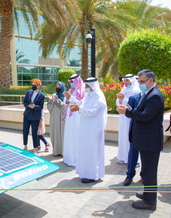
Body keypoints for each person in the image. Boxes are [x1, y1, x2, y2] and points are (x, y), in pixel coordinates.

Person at [117, 69, 164, 210]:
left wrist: (127, 111)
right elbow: (142, 111)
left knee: (149, 172)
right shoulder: (147, 93)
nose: (140, 84)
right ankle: (148, 194)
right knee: (147, 169)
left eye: (142, 81)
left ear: (151, 80)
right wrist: (129, 109)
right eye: (139, 81)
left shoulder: (154, 95)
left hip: (150, 141)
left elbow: (145, 116)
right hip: (146, 140)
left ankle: (150, 202)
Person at [70, 77, 107, 183]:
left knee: (93, 151)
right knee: (85, 149)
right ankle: (85, 172)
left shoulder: (99, 97)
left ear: (92, 86)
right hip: (86, 128)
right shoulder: (88, 95)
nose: (85, 88)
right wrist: (77, 105)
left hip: (94, 129)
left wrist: (79, 109)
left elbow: (93, 112)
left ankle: (93, 175)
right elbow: (81, 103)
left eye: (86, 86)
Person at [116, 74, 141, 164]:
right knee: (123, 137)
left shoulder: (137, 91)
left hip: (131, 117)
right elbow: (118, 103)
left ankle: (135, 160)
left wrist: (123, 99)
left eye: (127, 81)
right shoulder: (124, 89)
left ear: (132, 81)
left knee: (131, 137)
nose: (125, 83)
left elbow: (135, 105)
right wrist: (119, 100)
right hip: (123, 118)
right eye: (125, 81)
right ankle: (123, 157)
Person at [62, 74, 85, 166]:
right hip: (69, 117)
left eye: (72, 82)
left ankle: (76, 159)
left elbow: (81, 103)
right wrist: (67, 100)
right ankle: (69, 158)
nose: (71, 84)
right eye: (70, 82)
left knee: (76, 136)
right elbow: (65, 102)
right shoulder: (70, 91)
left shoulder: (83, 92)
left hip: (77, 117)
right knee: (69, 136)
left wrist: (71, 98)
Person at [23, 79, 45, 154]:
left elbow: (41, 106)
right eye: (32, 85)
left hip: (35, 116)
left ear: (38, 86)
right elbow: (24, 101)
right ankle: (25, 145)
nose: (33, 86)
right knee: (25, 130)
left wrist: (35, 106)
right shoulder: (28, 92)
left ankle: (35, 147)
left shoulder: (41, 95)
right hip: (27, 114)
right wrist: (28, 105)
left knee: (34, 132)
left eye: (35, 85)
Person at [47, 81, 66, 156]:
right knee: (54, 133)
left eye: (59, 87)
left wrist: (56, 100)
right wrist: (51, 101)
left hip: (61, 118)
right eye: (56, 87)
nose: (57, 88)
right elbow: (49, 107)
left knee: (61, 134)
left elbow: (64, 107)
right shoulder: (53, 95)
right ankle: (56, 150)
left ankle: (62, 151)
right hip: (54, 117)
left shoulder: (65, 96)